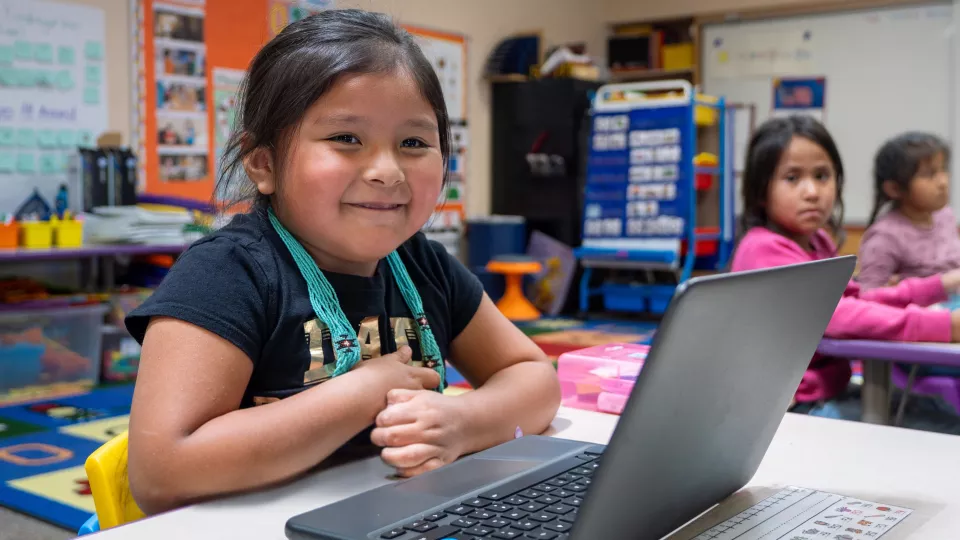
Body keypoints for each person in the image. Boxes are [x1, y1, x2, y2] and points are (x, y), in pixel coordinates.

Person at [124, 9, 560, 515]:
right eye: (346, 139)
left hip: (393, 515)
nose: (386, 170)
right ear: (263, 163)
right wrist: (360, 394)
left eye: (413, 143)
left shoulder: (422, 264)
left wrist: (465, 422)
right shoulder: (228, 272)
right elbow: (160, 471)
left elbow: (535, 377)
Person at [730, 115, 960, 415]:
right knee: (934, 433)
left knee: (938, 413)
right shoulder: (763, 249)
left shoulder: (817, 242)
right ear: (761, 189)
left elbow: (857, 298)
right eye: (792, 178)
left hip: (830, 388)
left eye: (822, 176)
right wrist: (945, 325)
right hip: (791, 404)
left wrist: (939, 286)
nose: (812, 192)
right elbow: (837, 315)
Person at [858, 132, 960, 290]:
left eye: (943, 170)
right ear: (894, 188)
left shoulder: (945, 215)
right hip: (921, 312)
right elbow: (869, 295)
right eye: (929, 174)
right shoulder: (885, 237)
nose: (943, 182)